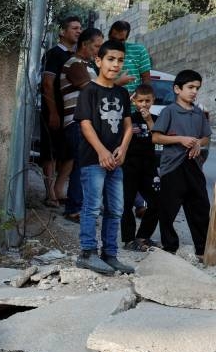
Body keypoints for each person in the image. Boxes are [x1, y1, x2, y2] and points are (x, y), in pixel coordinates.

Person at [73, 39, 135, 275]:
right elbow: (86, 125)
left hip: (116, 162)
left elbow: (128, 126)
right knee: (92, 207)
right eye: (111, 59)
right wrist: (102, 151)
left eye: (120, 60)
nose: (116, 64)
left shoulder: (121, 92)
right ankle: (87, 253)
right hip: (94, 160)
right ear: (98, 61)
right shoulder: (89, 90)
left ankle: (110, 254)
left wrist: (123, 149)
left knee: (116, 209)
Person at [151, 69, 212, 257]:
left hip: (194, 165)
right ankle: (170, 247)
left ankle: (202, 249)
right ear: (177, 89)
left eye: (197, 88)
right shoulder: (169, 111)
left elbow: (206, 137)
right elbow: (156, 137)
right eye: (190, 87)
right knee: (168, 209)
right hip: (173, 167)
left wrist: (197, 145)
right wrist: (180, 139)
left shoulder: (198, 113)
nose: (194, 91)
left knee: (201, 207)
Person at [60, 28, 103, 221]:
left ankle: (80, 206)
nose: (98, 50)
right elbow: (90, 89)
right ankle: (74, 208)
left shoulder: (89, 66)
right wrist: (116, 84)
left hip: (86, 123)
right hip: (77, 122)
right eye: (96, 46)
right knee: (81, 165)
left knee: (85, 165)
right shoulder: (75, 64)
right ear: (85, 44)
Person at [39, 16, 82, 208]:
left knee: (71, 153)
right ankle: (49, 194)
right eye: (74, 28)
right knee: (51, 153)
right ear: (62, 32)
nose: (78, 31)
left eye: (80, 28)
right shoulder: (53, 54)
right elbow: (47, 84)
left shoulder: (76, 58)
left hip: (71, 115)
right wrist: (54, 113)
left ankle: (59, 190)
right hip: (53, 112)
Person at [123, 85, 162, 250]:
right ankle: (129, 239)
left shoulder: (155, 118)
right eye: (140, 101)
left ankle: (143, 236)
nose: (144, 104)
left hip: (149, 166)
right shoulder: (128, 118)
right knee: (127, 203)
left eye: (147, 100)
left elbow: (159, 138)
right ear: (134, 101)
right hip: (130, 166)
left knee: (157, 201)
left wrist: (148, 120)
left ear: (153, 100)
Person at [108, 21, 152, 95]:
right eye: (114, 39)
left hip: (133, 104)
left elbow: (146, 79)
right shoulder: (101, 52)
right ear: (109, 36)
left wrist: (142, 97)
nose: (117, 43)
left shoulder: (139, 50)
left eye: (121, 40)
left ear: (126, 38)